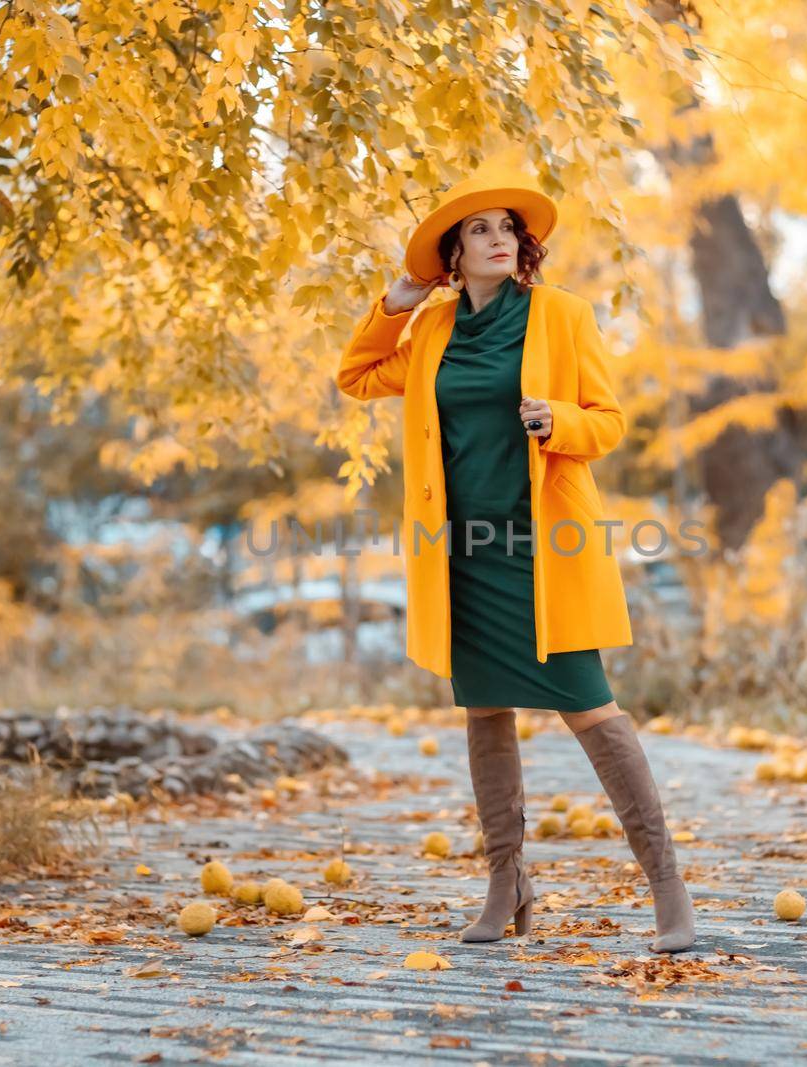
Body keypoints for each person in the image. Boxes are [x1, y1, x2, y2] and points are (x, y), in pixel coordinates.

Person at [334, 166, 696, 953]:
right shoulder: (429, 331)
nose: (499, 239)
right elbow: (356, 375)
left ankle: (668, 886)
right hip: (460, 552)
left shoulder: (559, 316)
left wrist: (557, 420)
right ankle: (507, 880)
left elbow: (608, 420)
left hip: (543, 548)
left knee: (590, 705)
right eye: (479, 231)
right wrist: (397, 298)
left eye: (507, 228)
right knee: (485, 710)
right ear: (452, 257)